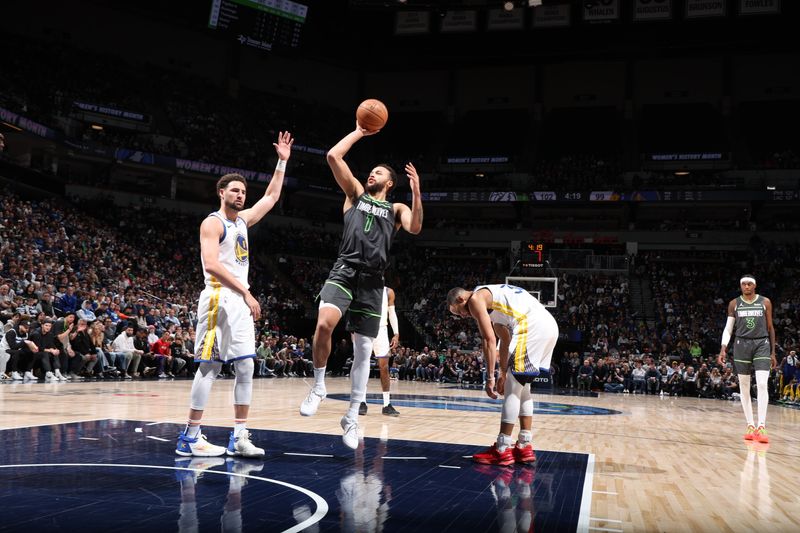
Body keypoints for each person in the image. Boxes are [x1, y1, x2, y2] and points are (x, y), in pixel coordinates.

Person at [298, 123, 422, 450]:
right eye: (370, 170)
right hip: (345, 268)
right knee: (324, 324)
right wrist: (358, 132)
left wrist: (418, 192)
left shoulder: (396, 208)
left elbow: (416, 226)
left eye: (378, 172)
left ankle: (352, 416)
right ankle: (320, 386)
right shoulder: (354, 194)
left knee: (364, 350)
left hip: (373, 280)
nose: (372, 174)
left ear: (390, 182)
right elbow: (332, 155)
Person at [175, 131, 293, 458]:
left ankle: (239, 436)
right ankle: (190, 437)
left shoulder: (243, 221)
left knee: (246, 367)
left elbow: (270, 197)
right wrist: (247, 291)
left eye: (243, 191)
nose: (241, 195)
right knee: (210, 367)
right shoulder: (212, 224)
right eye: (235, 190)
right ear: (221, 192)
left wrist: (282, 161)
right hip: (217, 299)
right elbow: (211, 264)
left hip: (240, 302)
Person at [447, 284, 559, 466]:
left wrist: (489, 377)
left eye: (458, 312)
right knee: (523, 389)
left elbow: (488, 340)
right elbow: (504, 340)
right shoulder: (496, 302)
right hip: (548, 326)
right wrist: (503, 372)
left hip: (531, 325)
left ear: (461, 299)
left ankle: (502, 448)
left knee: (512, 389)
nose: (462, 316)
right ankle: (524, 445)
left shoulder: (476, 298)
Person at [718, 275, 777, 443]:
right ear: (740, 286)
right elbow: (728, 329)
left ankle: (762, 426)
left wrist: (773, 352)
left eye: (749, 283)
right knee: (744, 386)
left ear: (755, 286)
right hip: (741, 344)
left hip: (761, 344)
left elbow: (771, 328)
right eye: (743, 284)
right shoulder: (734, 303)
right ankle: (750, 425)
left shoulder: (765, 302)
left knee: (762, 383)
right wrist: (723, 348)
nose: (746, 286)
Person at [359, 286, 400, 417]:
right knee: (362, 365)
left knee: (384, 367)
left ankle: (386, 405)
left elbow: (392, 313)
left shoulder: (388, 292)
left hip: (381, 330)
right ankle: (361, 402)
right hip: (364, 329)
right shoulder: (363, 288)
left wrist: (396, 333)